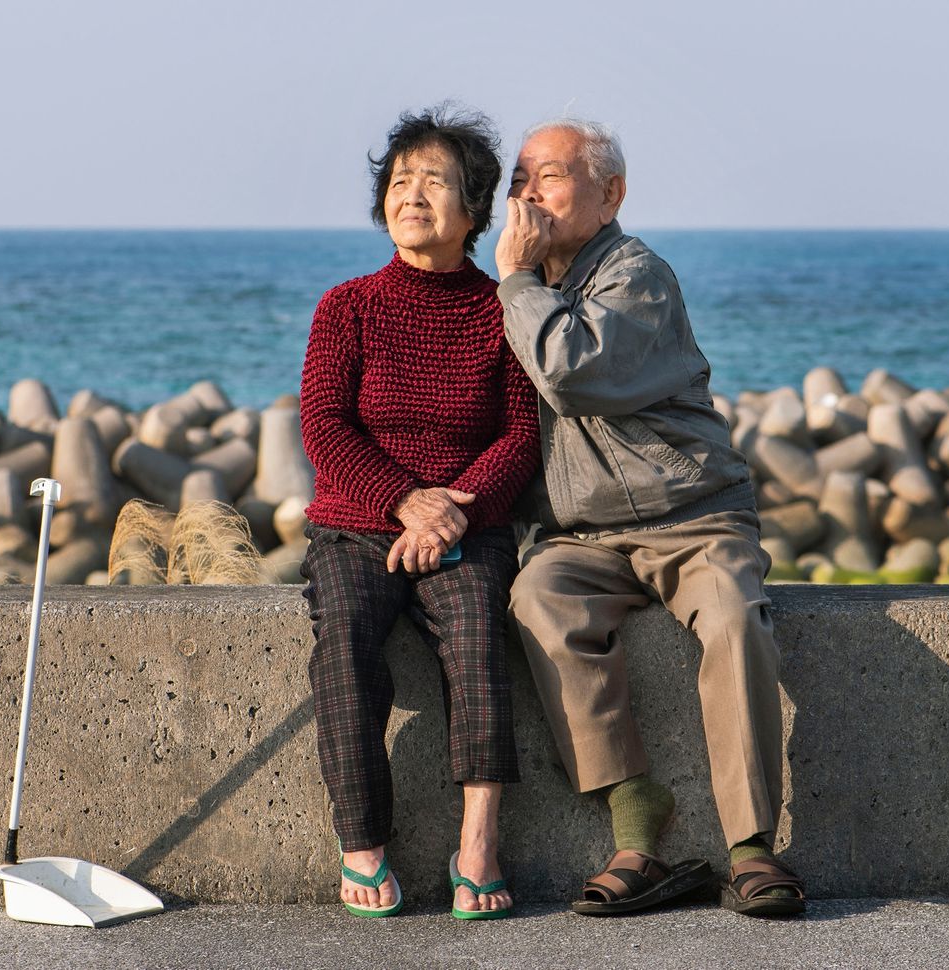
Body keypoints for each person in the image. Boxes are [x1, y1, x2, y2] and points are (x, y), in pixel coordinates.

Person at [494, 119, 806, 917]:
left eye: (550, 177)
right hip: (583, 537)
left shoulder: (637, 274)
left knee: (735, 618)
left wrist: (518, 285)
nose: (528, 195)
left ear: (612, 194)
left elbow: (573, 374)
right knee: (538, 601)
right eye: (518, 180)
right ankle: (637, 819)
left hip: (694, 516)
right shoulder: (518, 290)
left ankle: (752, 849)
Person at [299, 106, 539, 920]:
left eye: (434, 181)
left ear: (474, 210)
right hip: (357, 524)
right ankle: (363, 844)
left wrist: (449, 517)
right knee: (345, 643)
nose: (412, 194)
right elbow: (325, 427)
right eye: (400, 181)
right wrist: (405, 503)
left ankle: (478, 846)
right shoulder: (348, 306)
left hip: (468, 525)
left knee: (476, 632)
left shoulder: (503, 310)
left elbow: (521, 434)